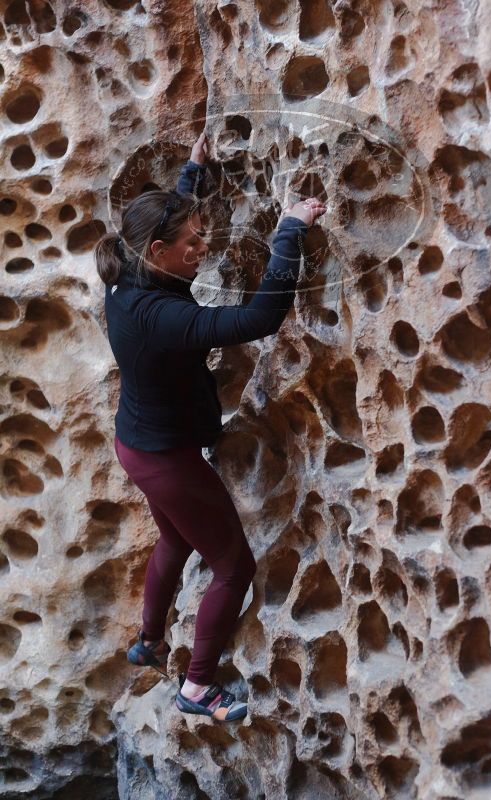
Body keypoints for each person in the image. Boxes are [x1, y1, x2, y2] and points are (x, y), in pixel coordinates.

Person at [95, 131, 327, 723]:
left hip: (138, 443)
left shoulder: (128, 275)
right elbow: (260, 316)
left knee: (175, 539)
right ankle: (197, 688)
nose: (203, 245)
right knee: (234, 566)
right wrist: (289, 232)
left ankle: (148, 642)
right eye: (192, 241)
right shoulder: (163, 316)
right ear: (158, 250)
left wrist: (192, 173)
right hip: (167, 458)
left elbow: (166, 221)